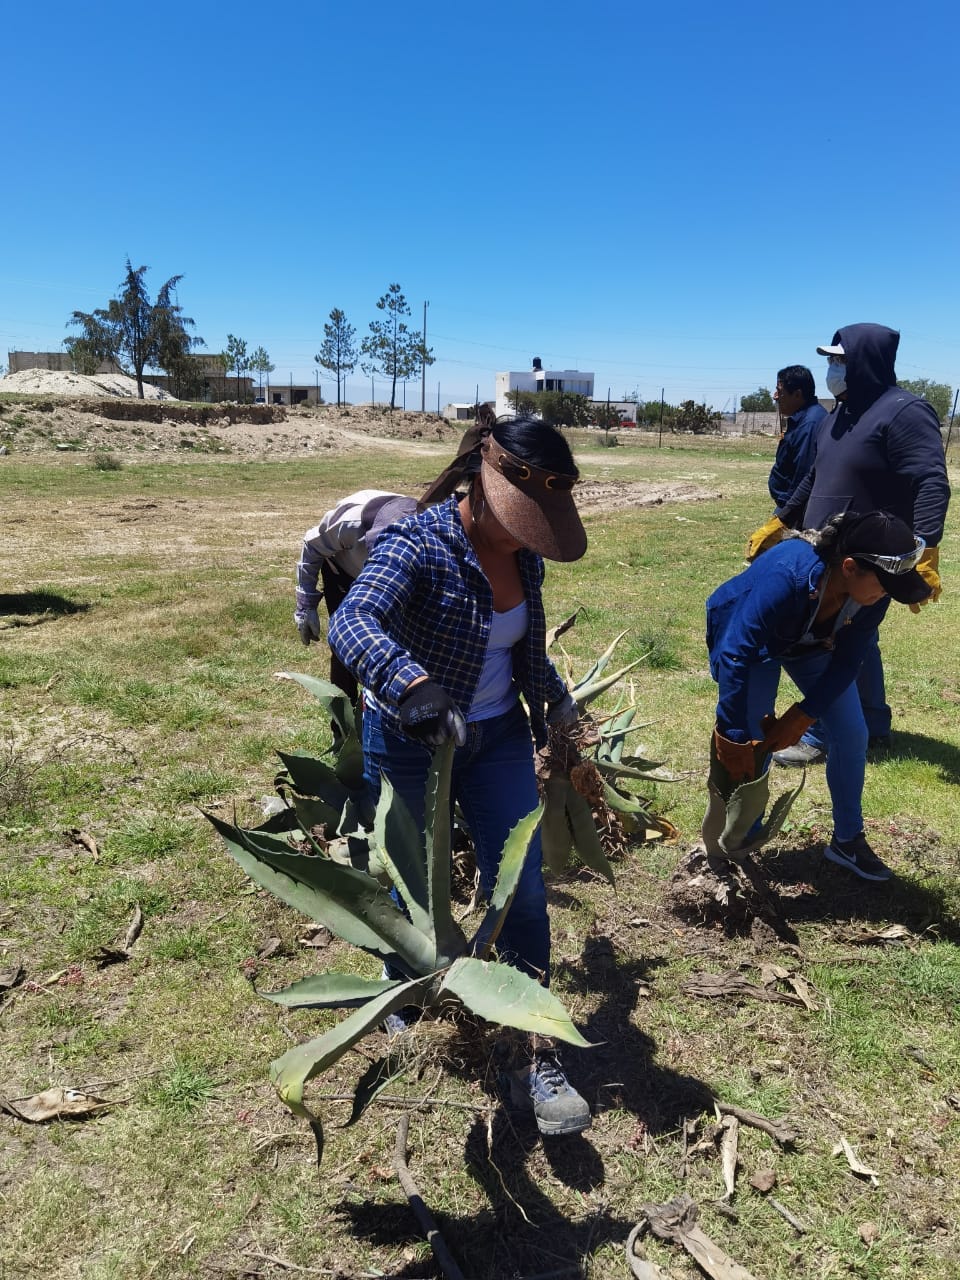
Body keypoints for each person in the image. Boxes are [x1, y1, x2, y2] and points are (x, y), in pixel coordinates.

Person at [328, 416, 589, 1137]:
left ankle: (535, 1043)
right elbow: (352, 623)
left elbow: (525, 652)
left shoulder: (526, 560)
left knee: (525, 892)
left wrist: (561, 707)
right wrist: (411, 685)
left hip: (497, 734)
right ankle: (405, 1000)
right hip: (408, 739)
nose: (524, 538)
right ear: (483, 481)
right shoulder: (417, 543)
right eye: (518, 521)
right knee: (409, 880)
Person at [746, 323, 950, 766]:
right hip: (825, 554)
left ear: (864, 362)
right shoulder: (838, 415)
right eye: (830, 360)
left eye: (839, 360)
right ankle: (872, 724)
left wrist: (927, 547)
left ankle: (823, 734)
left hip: (869, 557)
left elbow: (931, 481)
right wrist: (777, 522)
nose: (832, 369)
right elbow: (814, 479)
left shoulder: (904, 411)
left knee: (837, 641)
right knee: (856, 638)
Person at [709, 510, 932, 880]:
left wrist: (804, 714)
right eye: (884, 586)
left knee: (851, 732)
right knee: (750, 739)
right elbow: (737, 651)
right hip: (752, 643)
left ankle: (848, 841)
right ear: (849, 567)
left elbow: (847, 662)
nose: (886, 597)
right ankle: (739, 844)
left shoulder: (870, 596)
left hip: (808, 643)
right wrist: (731, 734)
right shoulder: (788, 575)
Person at [294, 490, 418, 701]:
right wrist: (306, 605)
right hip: (342, 572)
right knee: (345, 646)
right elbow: (311, 545)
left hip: (399, 578)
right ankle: (344, 726)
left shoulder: (424, 534)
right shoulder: (350, 524)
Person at [767, 365, 826, 513]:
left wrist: (786, 514)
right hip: (790, 505)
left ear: (797, 395)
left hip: (795, 509)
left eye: (780, 392)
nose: (775, 396)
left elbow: (803, 475)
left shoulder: (809, 425)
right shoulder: (804, 419)